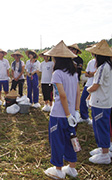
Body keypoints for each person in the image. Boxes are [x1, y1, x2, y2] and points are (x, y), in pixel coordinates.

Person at [43, 40, 80, 179]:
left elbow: (62, 96)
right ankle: (72, 167)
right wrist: (75, 112)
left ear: (57, 59)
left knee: (57, 141)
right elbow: (78, 93)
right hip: (70, 114)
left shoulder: (57, 73)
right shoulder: (74, 73)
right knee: (71, 139)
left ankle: (58, 170)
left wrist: (68, 113)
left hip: (59, 114)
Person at [86, 40, 112, 164]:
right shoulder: (109, 66)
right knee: (100, 126)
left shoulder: (102, 67)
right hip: (104, 101)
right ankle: (103, 148)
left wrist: (87, 91)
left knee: (101, 127)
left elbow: (96, 86)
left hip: (100, 102)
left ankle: (105, 154)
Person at [78, 52, 96, 125]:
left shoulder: (102, 62)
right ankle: (84, 117)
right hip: (88, 84)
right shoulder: (91, 62)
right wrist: (92, 73)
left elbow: (98, 73)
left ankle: (94, 119)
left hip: (96, 84)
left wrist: (91, 73)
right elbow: (86, 73)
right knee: (83, 100)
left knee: (94, 103)